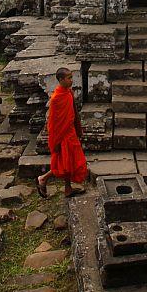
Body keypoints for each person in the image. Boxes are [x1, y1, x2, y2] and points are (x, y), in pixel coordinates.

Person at [36, 67, 87, 198]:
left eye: (71, 77)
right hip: (62, 135)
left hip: (70, 132)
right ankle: (43, 178)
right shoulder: (56, 98)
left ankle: (68, 188)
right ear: (60, 79)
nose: (71, 80)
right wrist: (56, 140)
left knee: (70, 161)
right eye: (69, 78)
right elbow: (53, 122)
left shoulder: (68, 92)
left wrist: (78, 128)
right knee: (65, 163)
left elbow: (73, 113)